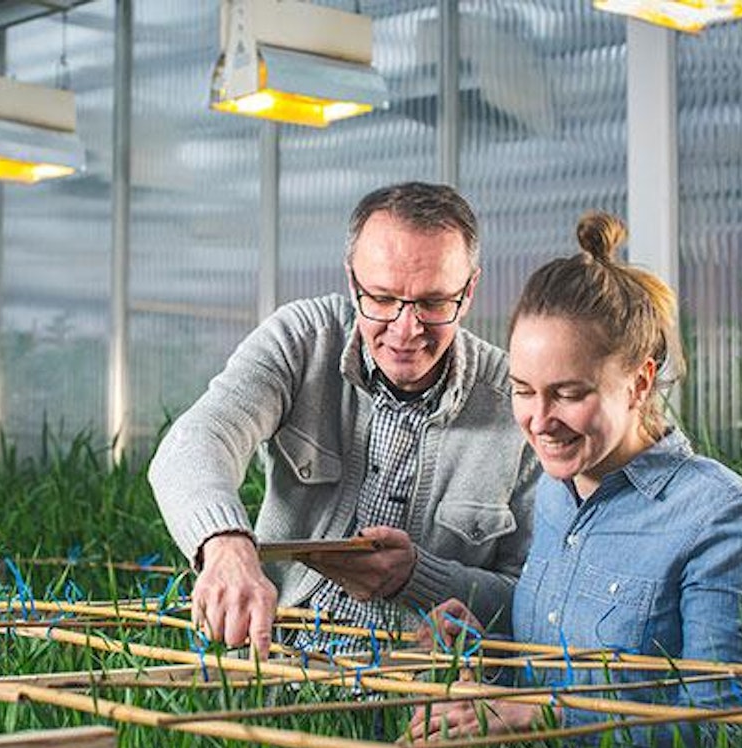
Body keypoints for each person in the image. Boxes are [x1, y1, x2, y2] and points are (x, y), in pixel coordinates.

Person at [408, 211, 742, 748]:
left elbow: (720, 731)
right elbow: (552, 664)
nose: (539, 420)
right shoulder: (554, 491)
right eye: (523, 390)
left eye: (569, 393)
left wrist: (539, 716)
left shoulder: (718, 516)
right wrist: (484, 645)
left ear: (640, 382)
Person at [149, 181, 540, 660]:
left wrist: (419, 578)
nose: (406, 330)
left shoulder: (519, 400)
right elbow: (194, 441)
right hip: (275, 659)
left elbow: (536, 597)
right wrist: (225, 544)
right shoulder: (303, 339)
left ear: (470, 290)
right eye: (382, 299)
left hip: (416, 679)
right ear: (352, 281)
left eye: (433, 303)